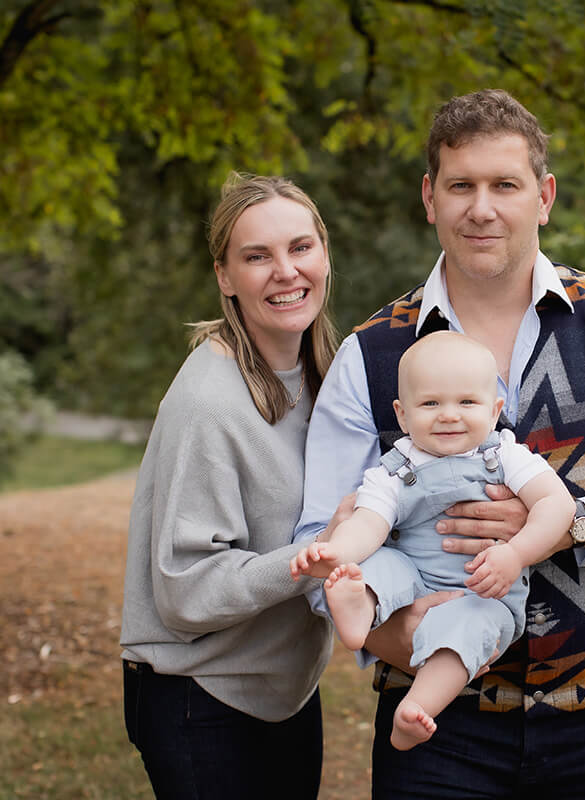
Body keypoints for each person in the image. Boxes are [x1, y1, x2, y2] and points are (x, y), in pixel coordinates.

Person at [295, 89, 585, 799]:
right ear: (430, 197)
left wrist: (568, 524)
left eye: (505, 185)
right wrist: (399, 635)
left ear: (544, 196)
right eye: (461, 185)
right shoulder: (371, 353)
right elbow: (318, 533)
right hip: (434, 727)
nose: (482, 207)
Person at [120, 173, 349, 800]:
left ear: (324, 254)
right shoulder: (210, 402)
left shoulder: (324, 379)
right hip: (201, 698)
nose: (285, 271)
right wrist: (312, 561)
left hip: (283, 689)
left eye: (300, 248)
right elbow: (185, 591)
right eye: (257, 256)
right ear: (224, 276)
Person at [291, 331, 575, 750]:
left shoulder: (505, 456)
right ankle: (358, 606)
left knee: (464, 632)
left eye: (466, 402)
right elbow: (368, 522)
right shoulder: (395, 469)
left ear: (495, 410)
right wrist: (335, 552)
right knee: (378, 562)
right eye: (430, 404)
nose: (448, 416)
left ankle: (416, 707)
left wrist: (515, 554)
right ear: (402, 415)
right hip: (414, 581)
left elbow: (556, 504)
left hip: (483, 594)